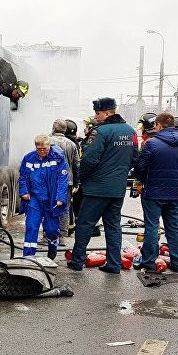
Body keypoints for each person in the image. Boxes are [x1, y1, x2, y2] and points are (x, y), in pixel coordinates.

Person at [68, 98, 137, 273]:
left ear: (107, 113)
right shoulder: (130, 131)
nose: (96, 117)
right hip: (117, 189)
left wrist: (80, 178)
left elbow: (89, 159)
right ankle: (114, 264)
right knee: (113, 227)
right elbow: (135, 158)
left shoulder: (100, 132)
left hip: (96, 189)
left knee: (84, 224)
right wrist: (119, 173)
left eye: (98, 113)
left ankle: (77, 261)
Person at [133, 113, 178, 273]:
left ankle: (149, 263)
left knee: (152, 227)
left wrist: (145, 180)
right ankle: (177, 262)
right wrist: (177, 179)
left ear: (159, 126)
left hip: (153, 193)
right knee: (174, 227)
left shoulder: (151, 144)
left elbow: (140, 168)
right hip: (175, 192)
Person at [18, 134, 69, 259]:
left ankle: (52, 246)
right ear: (35, 147)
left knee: (51, 230)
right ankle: (28, 256)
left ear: (49, 146)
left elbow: (63, 179)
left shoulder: (58, 158)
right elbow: (23, 176)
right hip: (34, 199)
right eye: (39, 149)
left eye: (44, 149)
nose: (42, 152)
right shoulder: (29, 158)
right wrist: (24, 191)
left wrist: (60, 198)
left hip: (51, 200)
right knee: (31, 226)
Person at [50, 119, 79, 242]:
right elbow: (76, 165)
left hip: (50, 181)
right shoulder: (72, 144)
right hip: (67, 181)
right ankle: (61, 237)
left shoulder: (47, 141)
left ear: (53, 128)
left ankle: (48, 236)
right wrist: (76, 182)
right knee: (64, 209)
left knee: (48, 207)